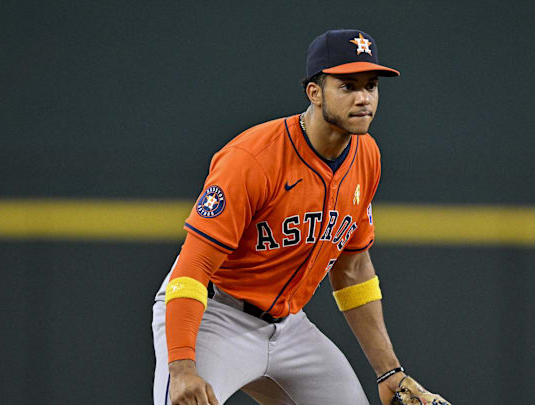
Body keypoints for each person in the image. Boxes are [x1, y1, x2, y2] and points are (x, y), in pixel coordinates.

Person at [152, 29, 450, 405]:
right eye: (347, 86)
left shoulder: (367, 156)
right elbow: (191, 268)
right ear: (314, 92)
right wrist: (181, 366)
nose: (363, 98)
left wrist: (389, 371)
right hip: (214, 316)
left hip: (289, 327)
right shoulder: (253, 159)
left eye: (371, 86)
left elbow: (353, 269)